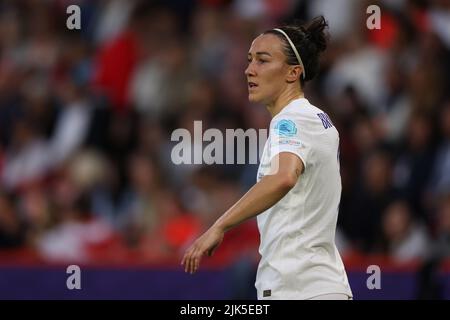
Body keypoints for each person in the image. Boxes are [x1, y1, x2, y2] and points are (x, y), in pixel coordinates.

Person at [181, 16, 353, 300]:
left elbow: (284, 177)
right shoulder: (312, 118)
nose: (249, 70)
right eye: (249, 60)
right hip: (312, 286)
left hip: (301, 289)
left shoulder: (293, 118)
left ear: (292, 73)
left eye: (262, 60)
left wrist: (219, 225)